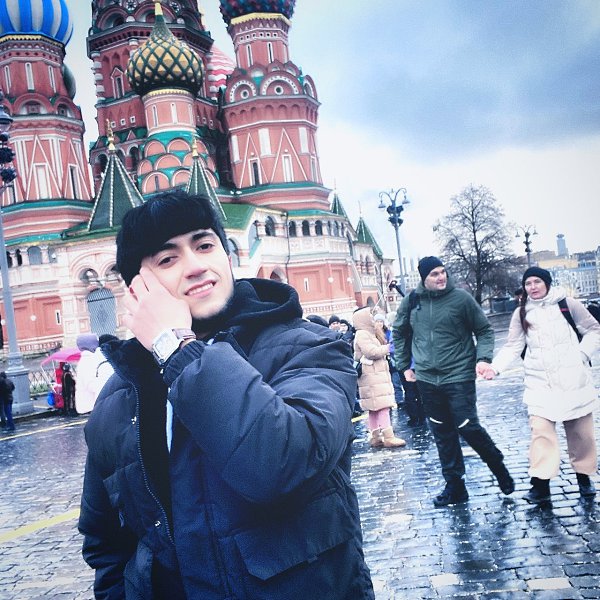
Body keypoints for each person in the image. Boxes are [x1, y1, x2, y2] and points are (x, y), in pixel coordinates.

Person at [78, 191, 374, 600]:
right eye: (168, 259)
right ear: (137, 290)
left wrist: (174, 347)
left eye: (204, 245)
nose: (196, 266)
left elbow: (279, 465)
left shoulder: (308, 348)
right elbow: (107, 545)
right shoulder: (119, 397)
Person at [392, 256, 514, 507]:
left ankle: (496, 463)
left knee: (467, 426)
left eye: (442, 272)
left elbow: (484, 330)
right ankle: (455, 486)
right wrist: (404, 366)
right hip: (427, 378)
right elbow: (400, 332)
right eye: (434, 274)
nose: (441, 277)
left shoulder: (461, 299)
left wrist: (483, 359)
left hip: (458, 374)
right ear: (423, 278)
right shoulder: (412, 301)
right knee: (442, 432)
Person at [482, 267, 600, 503]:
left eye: (537, 282)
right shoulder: (521, 312)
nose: (532, 287)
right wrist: (495, 367)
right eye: (528, 283)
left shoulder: (568, 304)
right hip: (540, 383)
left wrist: (582, 355)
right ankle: (540, 484)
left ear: (547, 283)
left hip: (572, 380)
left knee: (580, 433)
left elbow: (594, 330)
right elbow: (513, 345)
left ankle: (584, 476)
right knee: (541, 434)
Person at [353, 307, 406, 448]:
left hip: (373, 375)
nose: (373, 319)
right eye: (370, 316)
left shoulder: (366, 333)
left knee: (374, 408)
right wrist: (388, 348)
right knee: (382, 406)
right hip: (373, 376)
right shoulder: (363, 334)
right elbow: (371, 352)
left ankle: (375, 436)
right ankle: (388, 436)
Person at [75, 333, 100, 415]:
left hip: (89, 406)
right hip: (91, 406)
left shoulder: (87, 360)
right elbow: (91, 385)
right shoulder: (88, 361)